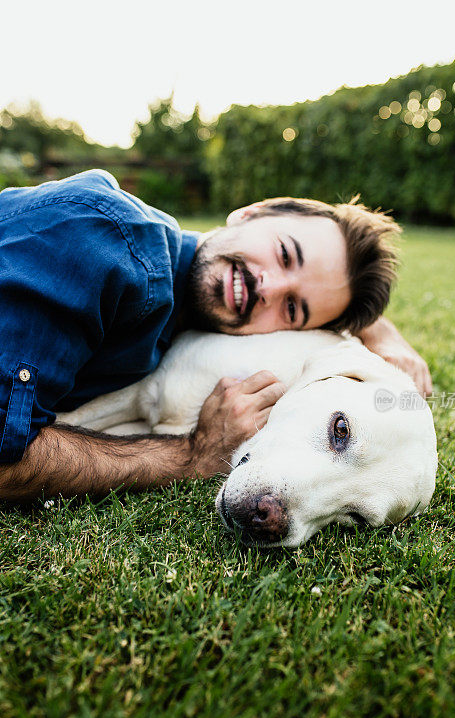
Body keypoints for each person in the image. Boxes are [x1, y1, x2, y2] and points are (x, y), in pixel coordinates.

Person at [0, 170, 431, 500]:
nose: (268, 287)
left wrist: (384, 335)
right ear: (250, 211)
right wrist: (190, 456)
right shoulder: (105, 241)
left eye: (294, 309)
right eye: (284, 253)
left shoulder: (168, 296)